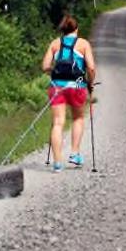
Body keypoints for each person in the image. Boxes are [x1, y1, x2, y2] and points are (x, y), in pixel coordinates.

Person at [41, 14, 96, 173]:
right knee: (78, 118)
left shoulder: (55, 43)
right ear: (76, 29)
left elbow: (45, 66)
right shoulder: (83, 44)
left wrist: (55, 71)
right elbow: (91, 68)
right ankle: (74, 153)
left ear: (63, 30)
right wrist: (90, 84)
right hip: (77, 86)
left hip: (57, 86)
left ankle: (57, 163)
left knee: (58, 122)